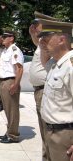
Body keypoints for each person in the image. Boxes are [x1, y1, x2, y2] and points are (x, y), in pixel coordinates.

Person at [38, 17, 73, 161]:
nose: (42, 43)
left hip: (64, 136)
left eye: (46, 39)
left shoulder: (70, 66)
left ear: (61, 39)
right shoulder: (55, 62)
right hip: (50, 131)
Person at [0, 30, 24, 143]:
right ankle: (9, 132)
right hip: (3, 81)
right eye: (2, 37)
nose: (2, 38)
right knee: (8, 109)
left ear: (11, 38)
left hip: (10, 81)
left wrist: (15, 84)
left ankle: (13, 135)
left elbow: (20, 68)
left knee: (12, 110)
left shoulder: (14, 50)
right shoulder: (5, 51)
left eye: (5, 37)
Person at [28, 12, 50, 161]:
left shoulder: (48, 43)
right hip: (39, 91)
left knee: (48, 130)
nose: (36, 28)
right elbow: (37, 43)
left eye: (38, 26)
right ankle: (46, 156)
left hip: (44, 90)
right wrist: (32, 33)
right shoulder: (40, 44)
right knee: (44, 130)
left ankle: (49, 156)